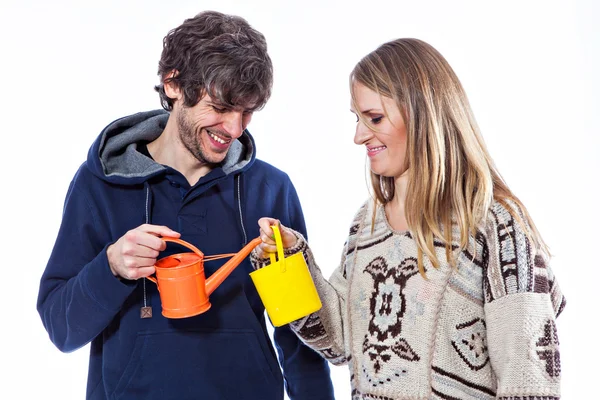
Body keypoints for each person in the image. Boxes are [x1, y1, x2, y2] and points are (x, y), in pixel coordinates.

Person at [37, 11, 334, 400]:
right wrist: (110, 266)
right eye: (221, 107)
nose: (235, 128)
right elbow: (62, 330)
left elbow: (299, 333)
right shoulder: (99, 185)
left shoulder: (270, 190)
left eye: (247, 112)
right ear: (173, 84)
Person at [253, 38, 566, 400]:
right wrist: (285, 262)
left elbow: (529, 379)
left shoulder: (494, 225)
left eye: (374, 118)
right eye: (357, 118)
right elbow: (337, 342)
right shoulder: (366, 225)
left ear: (423, 116)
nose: (358, 136)